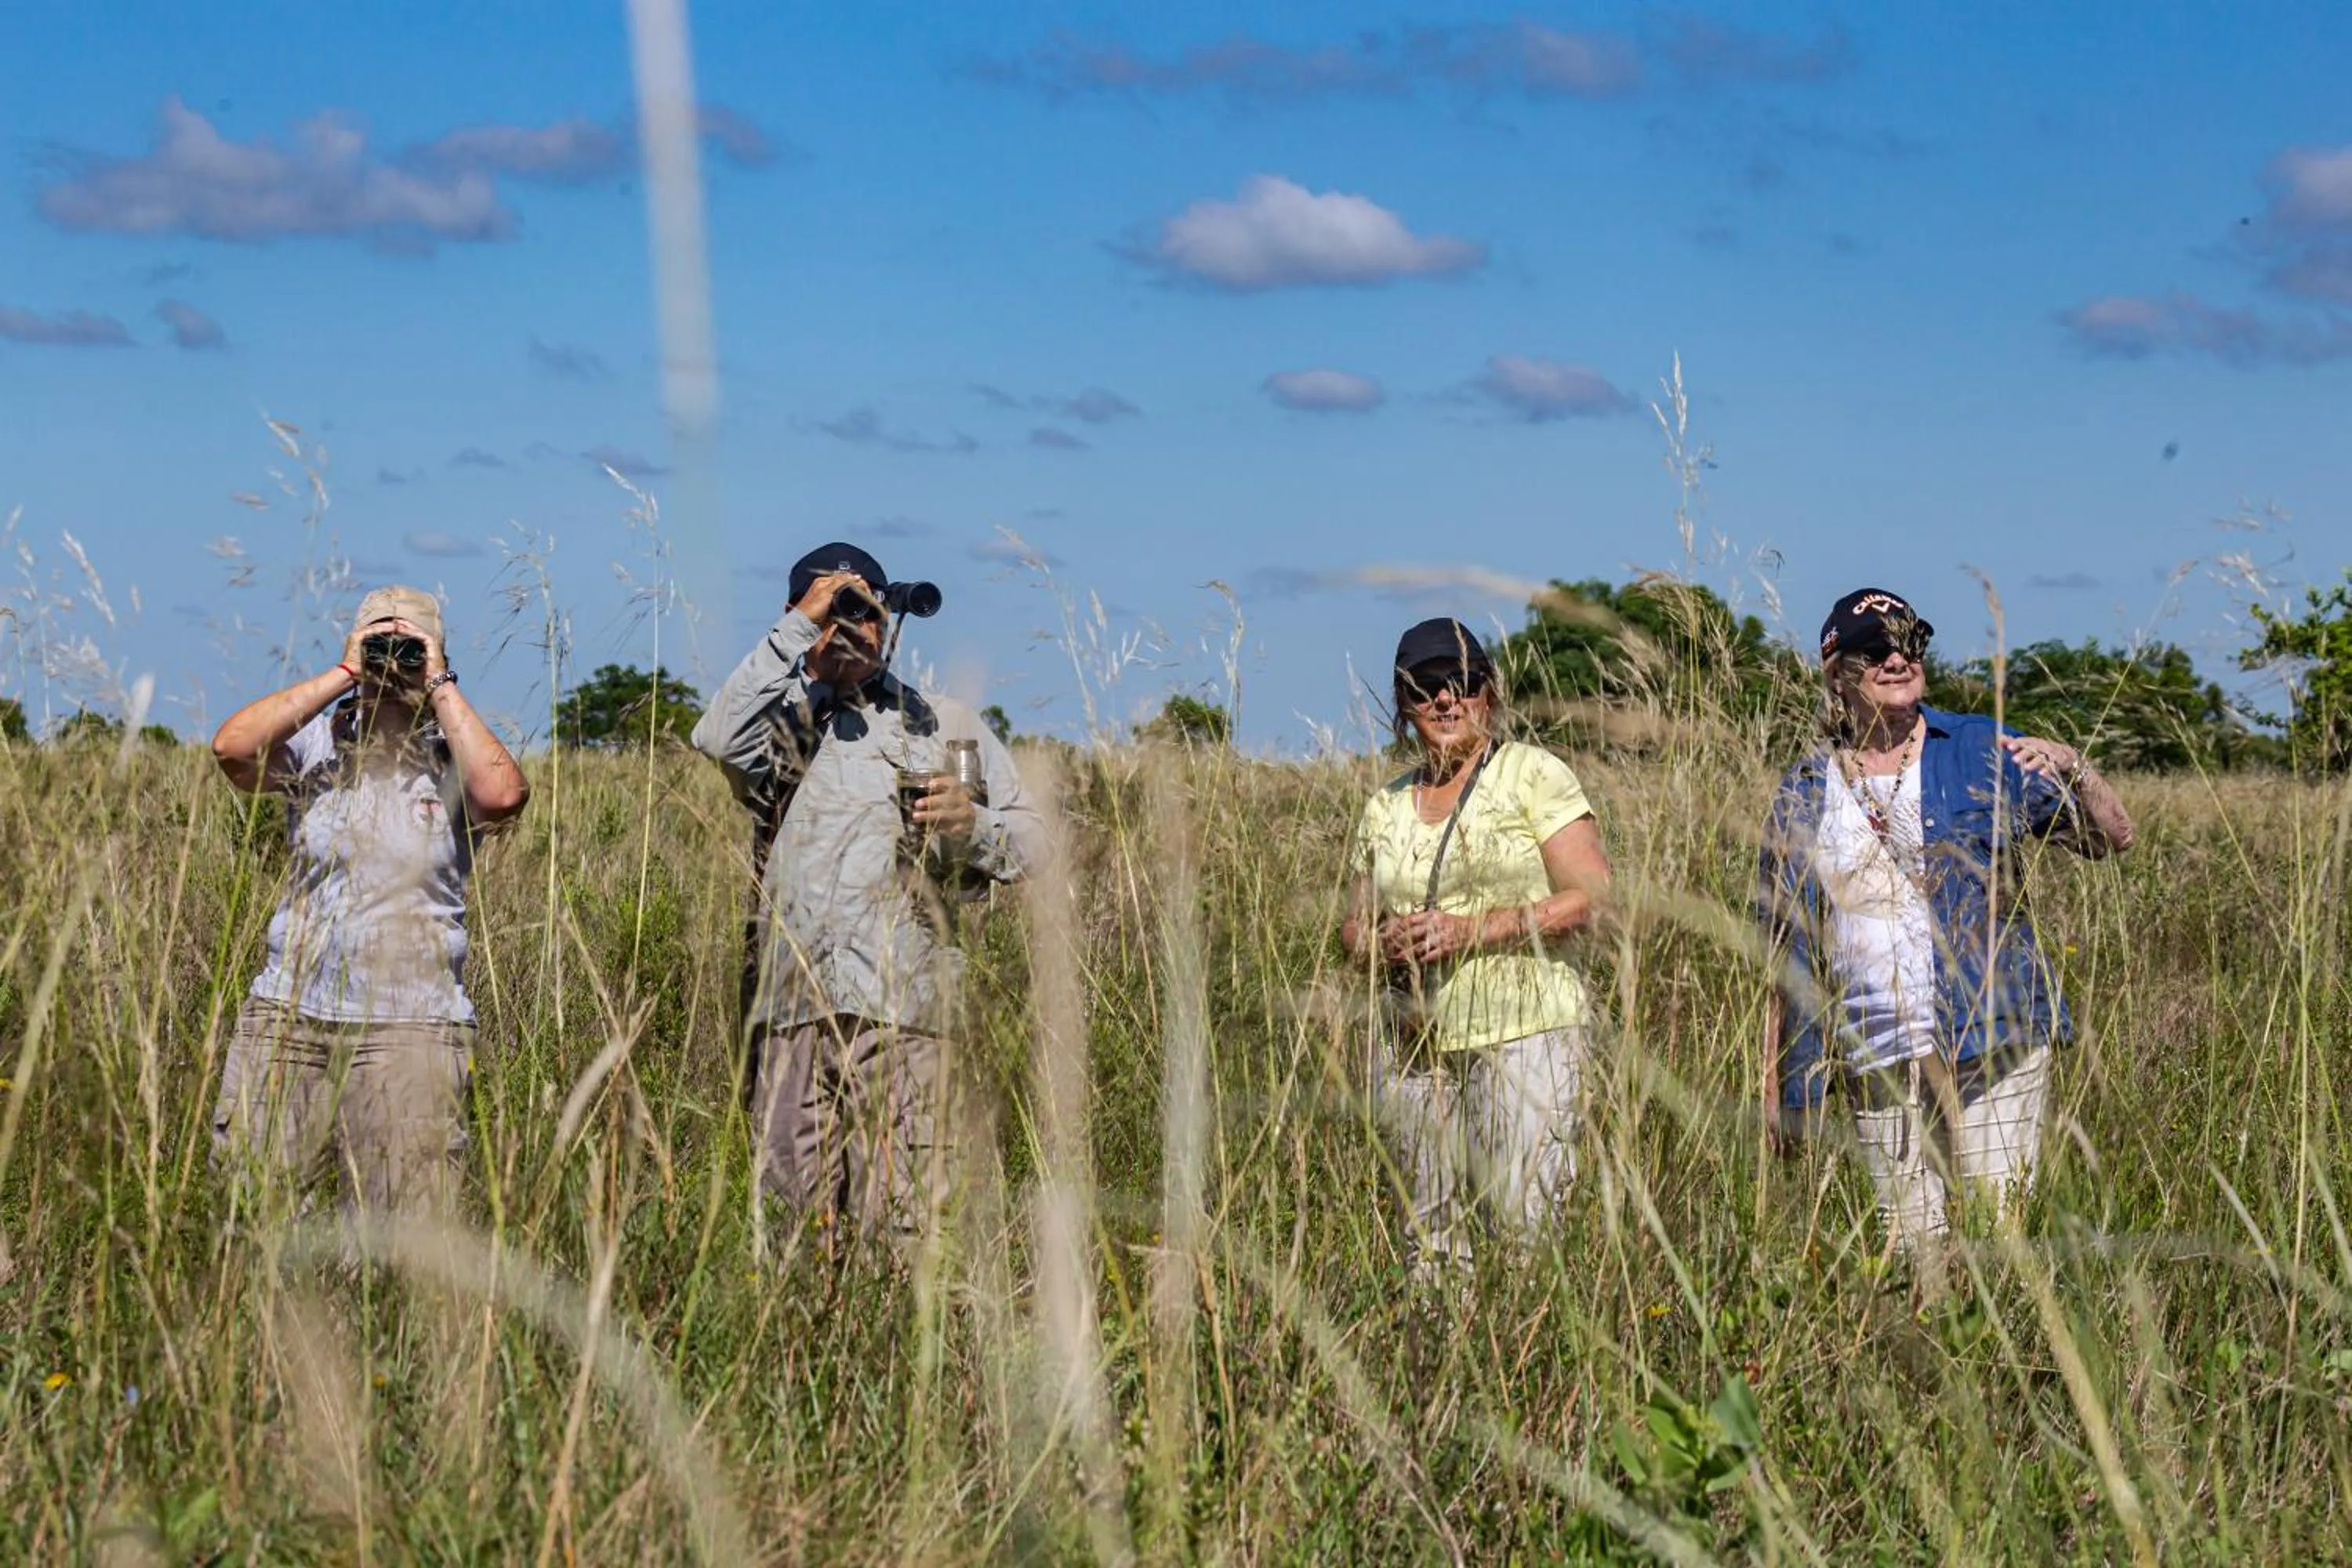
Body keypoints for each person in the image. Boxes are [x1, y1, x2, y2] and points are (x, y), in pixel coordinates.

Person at [1759, 588, 2134, 1264]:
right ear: (1838, 673)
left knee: (1997, 1237)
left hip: (1992, 1034)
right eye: (1876, 649)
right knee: (1912, 1252)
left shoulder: (1980, 746)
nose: (1898, 659)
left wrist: (2072, 764)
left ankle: (2004, 1338)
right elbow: (1784, 948)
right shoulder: (1807, 788)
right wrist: (1776, 1081)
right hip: (1877, 1049)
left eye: (1912, 644)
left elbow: (2111, 838)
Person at [694, 542, 1042, 1241]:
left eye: (871, 611)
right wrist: (800, 630)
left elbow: (1036, 842)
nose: (859, 626)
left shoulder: (942, 721)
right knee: (792, 1228)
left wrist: (971, 827)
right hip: (792, 1009)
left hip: (908, 1009)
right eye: (840, 610)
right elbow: (717, 741)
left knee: (906, 1223)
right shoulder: (781, 726)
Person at [209, 586, 529, 1220]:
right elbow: (232, 750)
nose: (392, 659)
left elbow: (502, 797)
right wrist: (346, 672)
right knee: (257, 1219)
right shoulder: (316, 746)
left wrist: (437, 682)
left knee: (401, 1235)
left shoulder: (454, 756)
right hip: (289, 1018)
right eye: (380, 641)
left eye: (409, 646)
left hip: (414, 1026)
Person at [1340, 618, 1612, 1272]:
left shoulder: (1532, 774)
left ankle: (1527, 1341)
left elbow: (1595, 900)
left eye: (1461, 682)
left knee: (1525, 1230)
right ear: (1403, 704)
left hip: (1526, 1037)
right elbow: (1352, 928)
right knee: (1430, 1240)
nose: (1444, 699)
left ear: (1488, 693)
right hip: (1414, 1049)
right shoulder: (1385, 806)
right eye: (1425, 686)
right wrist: (1381, 942)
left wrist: (1472, 930)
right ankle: (1438, 1340)